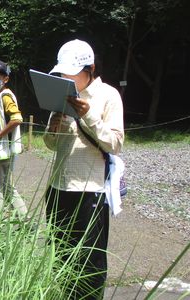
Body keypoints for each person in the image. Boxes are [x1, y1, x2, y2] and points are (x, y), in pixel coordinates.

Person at [43, 39, 124, 299]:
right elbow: (51, 145)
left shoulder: (108, 95)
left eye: (71, 72)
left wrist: (88, 116)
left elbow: (115, 143)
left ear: (90, 69)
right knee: (63, 256)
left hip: (90, 192)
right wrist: (53, 127)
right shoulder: (61, 96)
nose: (65, 77)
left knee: (90, 263)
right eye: (63, 73)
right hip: (58, 188)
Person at [0, 59, 28, 219]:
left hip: (1, 149)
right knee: (7, 186)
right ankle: (24, 218)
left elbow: (17, 119)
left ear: (5, 79)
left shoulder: (4, 96)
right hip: (5, 149)